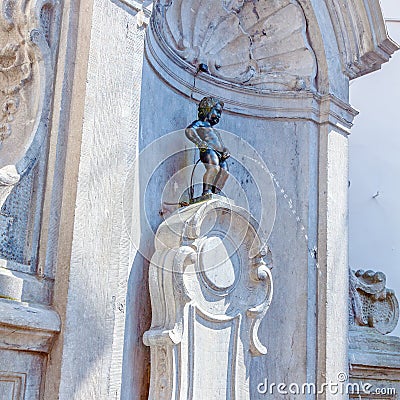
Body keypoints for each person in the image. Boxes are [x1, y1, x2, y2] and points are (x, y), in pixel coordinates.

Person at [185, 97, 230, 196]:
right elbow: (190, 130)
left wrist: (226, 151)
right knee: (213, 168)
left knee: (224, 172)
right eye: (217, 112)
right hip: (208, 150)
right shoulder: (200, 124)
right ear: (207, 109)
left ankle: (215, 193)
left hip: (220, 154)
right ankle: (206, 191)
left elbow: (221, 145)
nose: (219, 116)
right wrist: (199, 142)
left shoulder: (215, 131)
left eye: (220, 114)